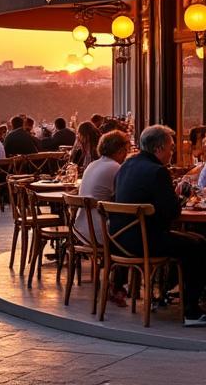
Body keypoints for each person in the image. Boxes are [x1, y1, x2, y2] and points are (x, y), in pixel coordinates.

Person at [109, 125, 206, 327]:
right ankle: (192, 311)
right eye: (171, 148)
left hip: (119, 240)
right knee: (199, 245)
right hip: (144, 241)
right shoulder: (157, 172)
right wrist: (181, 195)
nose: (172, 152)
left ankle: (172, 291)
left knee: (191, 242)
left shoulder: (126, 166)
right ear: (158, 149)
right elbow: (173, 213)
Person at [76, 129, 129, 305]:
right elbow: (124, 199)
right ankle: (117, 286)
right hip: (98, 233)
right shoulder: (115, 167)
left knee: (125, 231)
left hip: (81, 229)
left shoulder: (93, 164)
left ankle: (117, 284)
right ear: (121, 150)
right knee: (133, 237)